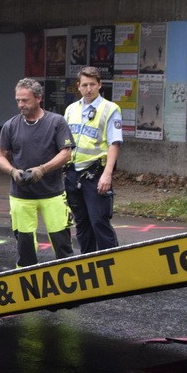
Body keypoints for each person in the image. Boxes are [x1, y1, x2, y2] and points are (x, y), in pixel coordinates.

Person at [0, 78, 75, 267]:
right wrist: (13, 171)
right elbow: (0, 156)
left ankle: (69, 280)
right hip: (21, 195)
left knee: (61, 242)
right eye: (18, 100)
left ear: (39, 98)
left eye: (25, 100)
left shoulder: (56, 122)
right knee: (25, 245)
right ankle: (26, 280)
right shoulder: (11, 125)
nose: (20, 104)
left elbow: (67, 153)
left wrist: (42, 169)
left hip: (52, 193)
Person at [64, 66, 122, 253]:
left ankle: (113, 263)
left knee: (99, 221)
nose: (88, 88)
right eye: (84, 85)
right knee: (81, 224)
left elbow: (114, 143)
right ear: (78, 87)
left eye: (92, 84)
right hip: (73, 173)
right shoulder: (71, 109)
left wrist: (107, 174)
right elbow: (65, 143)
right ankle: (87, 263)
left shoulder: (110, 109)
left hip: (96, 174)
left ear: (99, 85)